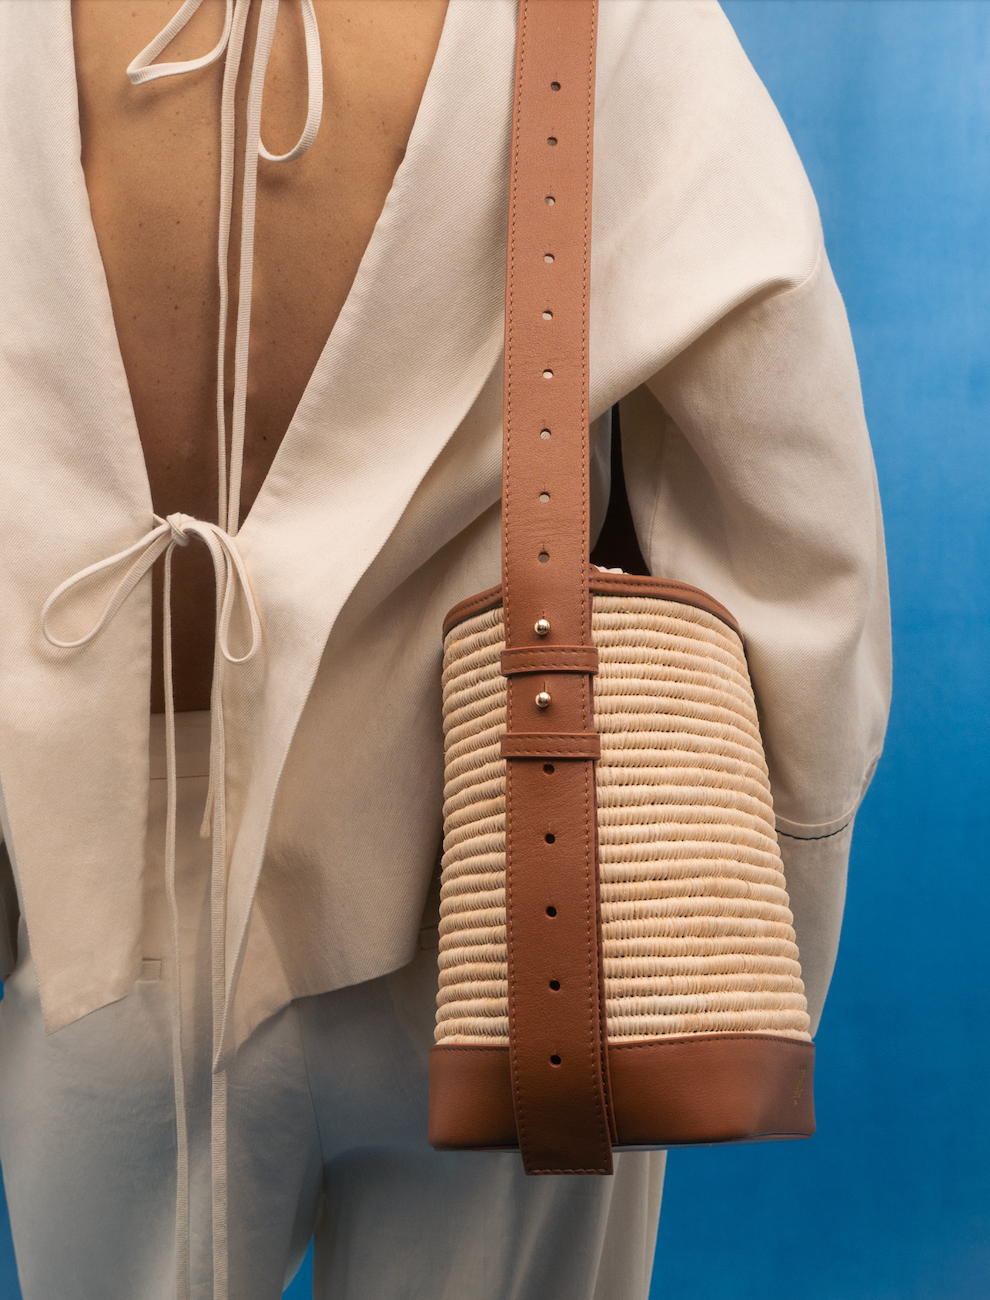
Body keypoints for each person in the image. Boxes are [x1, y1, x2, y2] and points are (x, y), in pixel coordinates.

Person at [0, 1, 891, 1297]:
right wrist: (752, 926)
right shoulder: (618, 21)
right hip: (516, 907)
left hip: (104, 931)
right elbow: (795, 516)